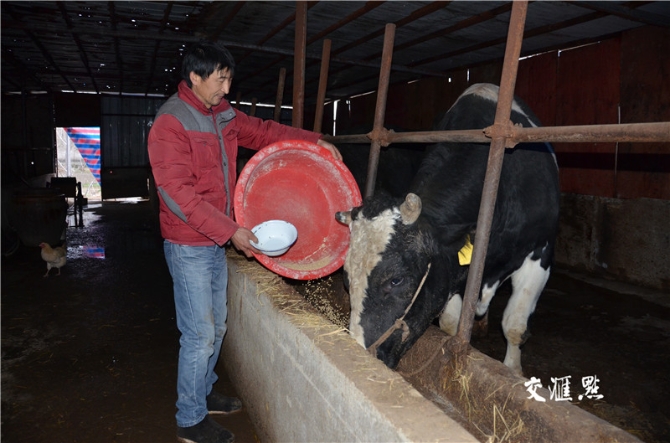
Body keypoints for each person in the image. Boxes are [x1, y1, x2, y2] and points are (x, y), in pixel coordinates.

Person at [147, 40, 341, 443]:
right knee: (199, 334)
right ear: (195, 77)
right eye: (220, 80)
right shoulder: (171, 122)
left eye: (229, 79)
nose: (226, 88)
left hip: (214, 241)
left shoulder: (222, 113)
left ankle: (204, 393)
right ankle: (189, 419)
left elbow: (265, 131)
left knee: (216, 327)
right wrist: (230, 230)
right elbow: (177, 195)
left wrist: (315, 140)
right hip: (188, 244)